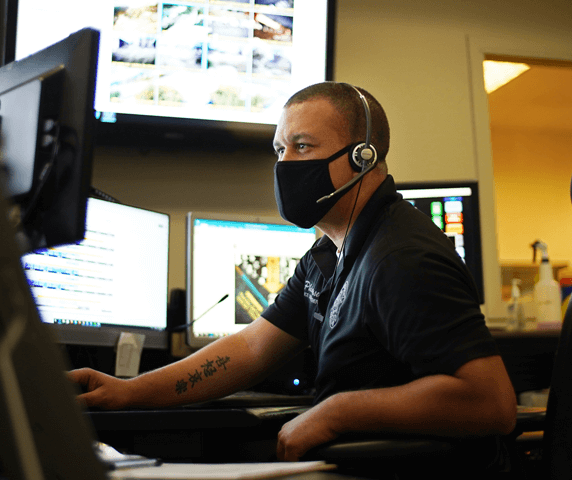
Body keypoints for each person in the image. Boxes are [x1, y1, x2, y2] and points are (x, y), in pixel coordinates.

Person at [69, 82, 517, 464]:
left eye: (302, 146)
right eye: (279, 149)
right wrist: (127, 391)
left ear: (363, 157)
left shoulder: (401, 258)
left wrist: (339, 411)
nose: (284, 164)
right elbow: (250, 347)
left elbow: (490, 402)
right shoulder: (326, 256)